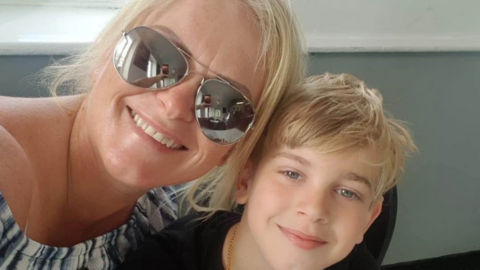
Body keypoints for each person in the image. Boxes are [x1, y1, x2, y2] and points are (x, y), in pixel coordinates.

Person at [0, 0, 306, 269]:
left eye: (225, 105)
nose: (175, 105)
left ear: (232, 148)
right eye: (157, 56)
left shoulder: (159, 234)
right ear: (109, 52)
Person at [117, 73, 418, 270]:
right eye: (293, 174)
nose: (314, 210)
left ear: (369, 218)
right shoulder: (166, 260)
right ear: (246, 179)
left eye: (347, 192)